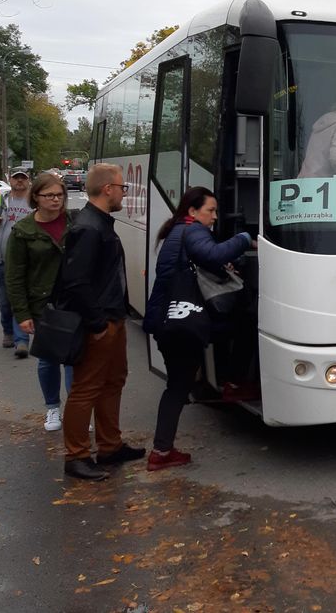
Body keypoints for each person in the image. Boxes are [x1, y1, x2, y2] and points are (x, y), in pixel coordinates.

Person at [144, 186, 251, 471]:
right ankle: (233, 383)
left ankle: (163, 450)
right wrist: (244, 237)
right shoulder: (193, 230)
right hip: (182, 321)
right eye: (211, 211)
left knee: (177, 385)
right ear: (193, 211)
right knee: (244, 323)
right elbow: (212, 255)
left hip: (167, 320)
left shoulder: (178, 231)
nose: (215, 217)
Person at [51, 163, 142, 481]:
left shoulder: (100, 222)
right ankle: (75, 457)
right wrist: (98, 324)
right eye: (122, 187)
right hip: (99, 323)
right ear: (107, 189)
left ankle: (109, 447)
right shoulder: (89, 227)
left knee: (113, 382)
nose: (123, 193)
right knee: (86, 389)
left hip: (113, 318)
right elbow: (76, 282)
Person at [4, 173, 77, 432]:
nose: (56, 200)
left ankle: (75, 409)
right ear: (36, 197)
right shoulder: (24, 231)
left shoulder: (74, 221)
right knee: (48, 359)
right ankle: (52, 409)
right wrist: (21, 313)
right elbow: (14, 276)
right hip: (41, 305)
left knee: (72, 359)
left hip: (72, 302)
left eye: (59, 195)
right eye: (49, 195)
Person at [0, 168, 34, 356]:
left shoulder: (33, 203)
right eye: (16, 178)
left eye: (23, 178)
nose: (19, 181)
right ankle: (8, 332)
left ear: (28, 181)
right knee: (5, 302)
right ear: (10, 180)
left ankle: (22, 340)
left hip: (25, 262)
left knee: (20, 300)